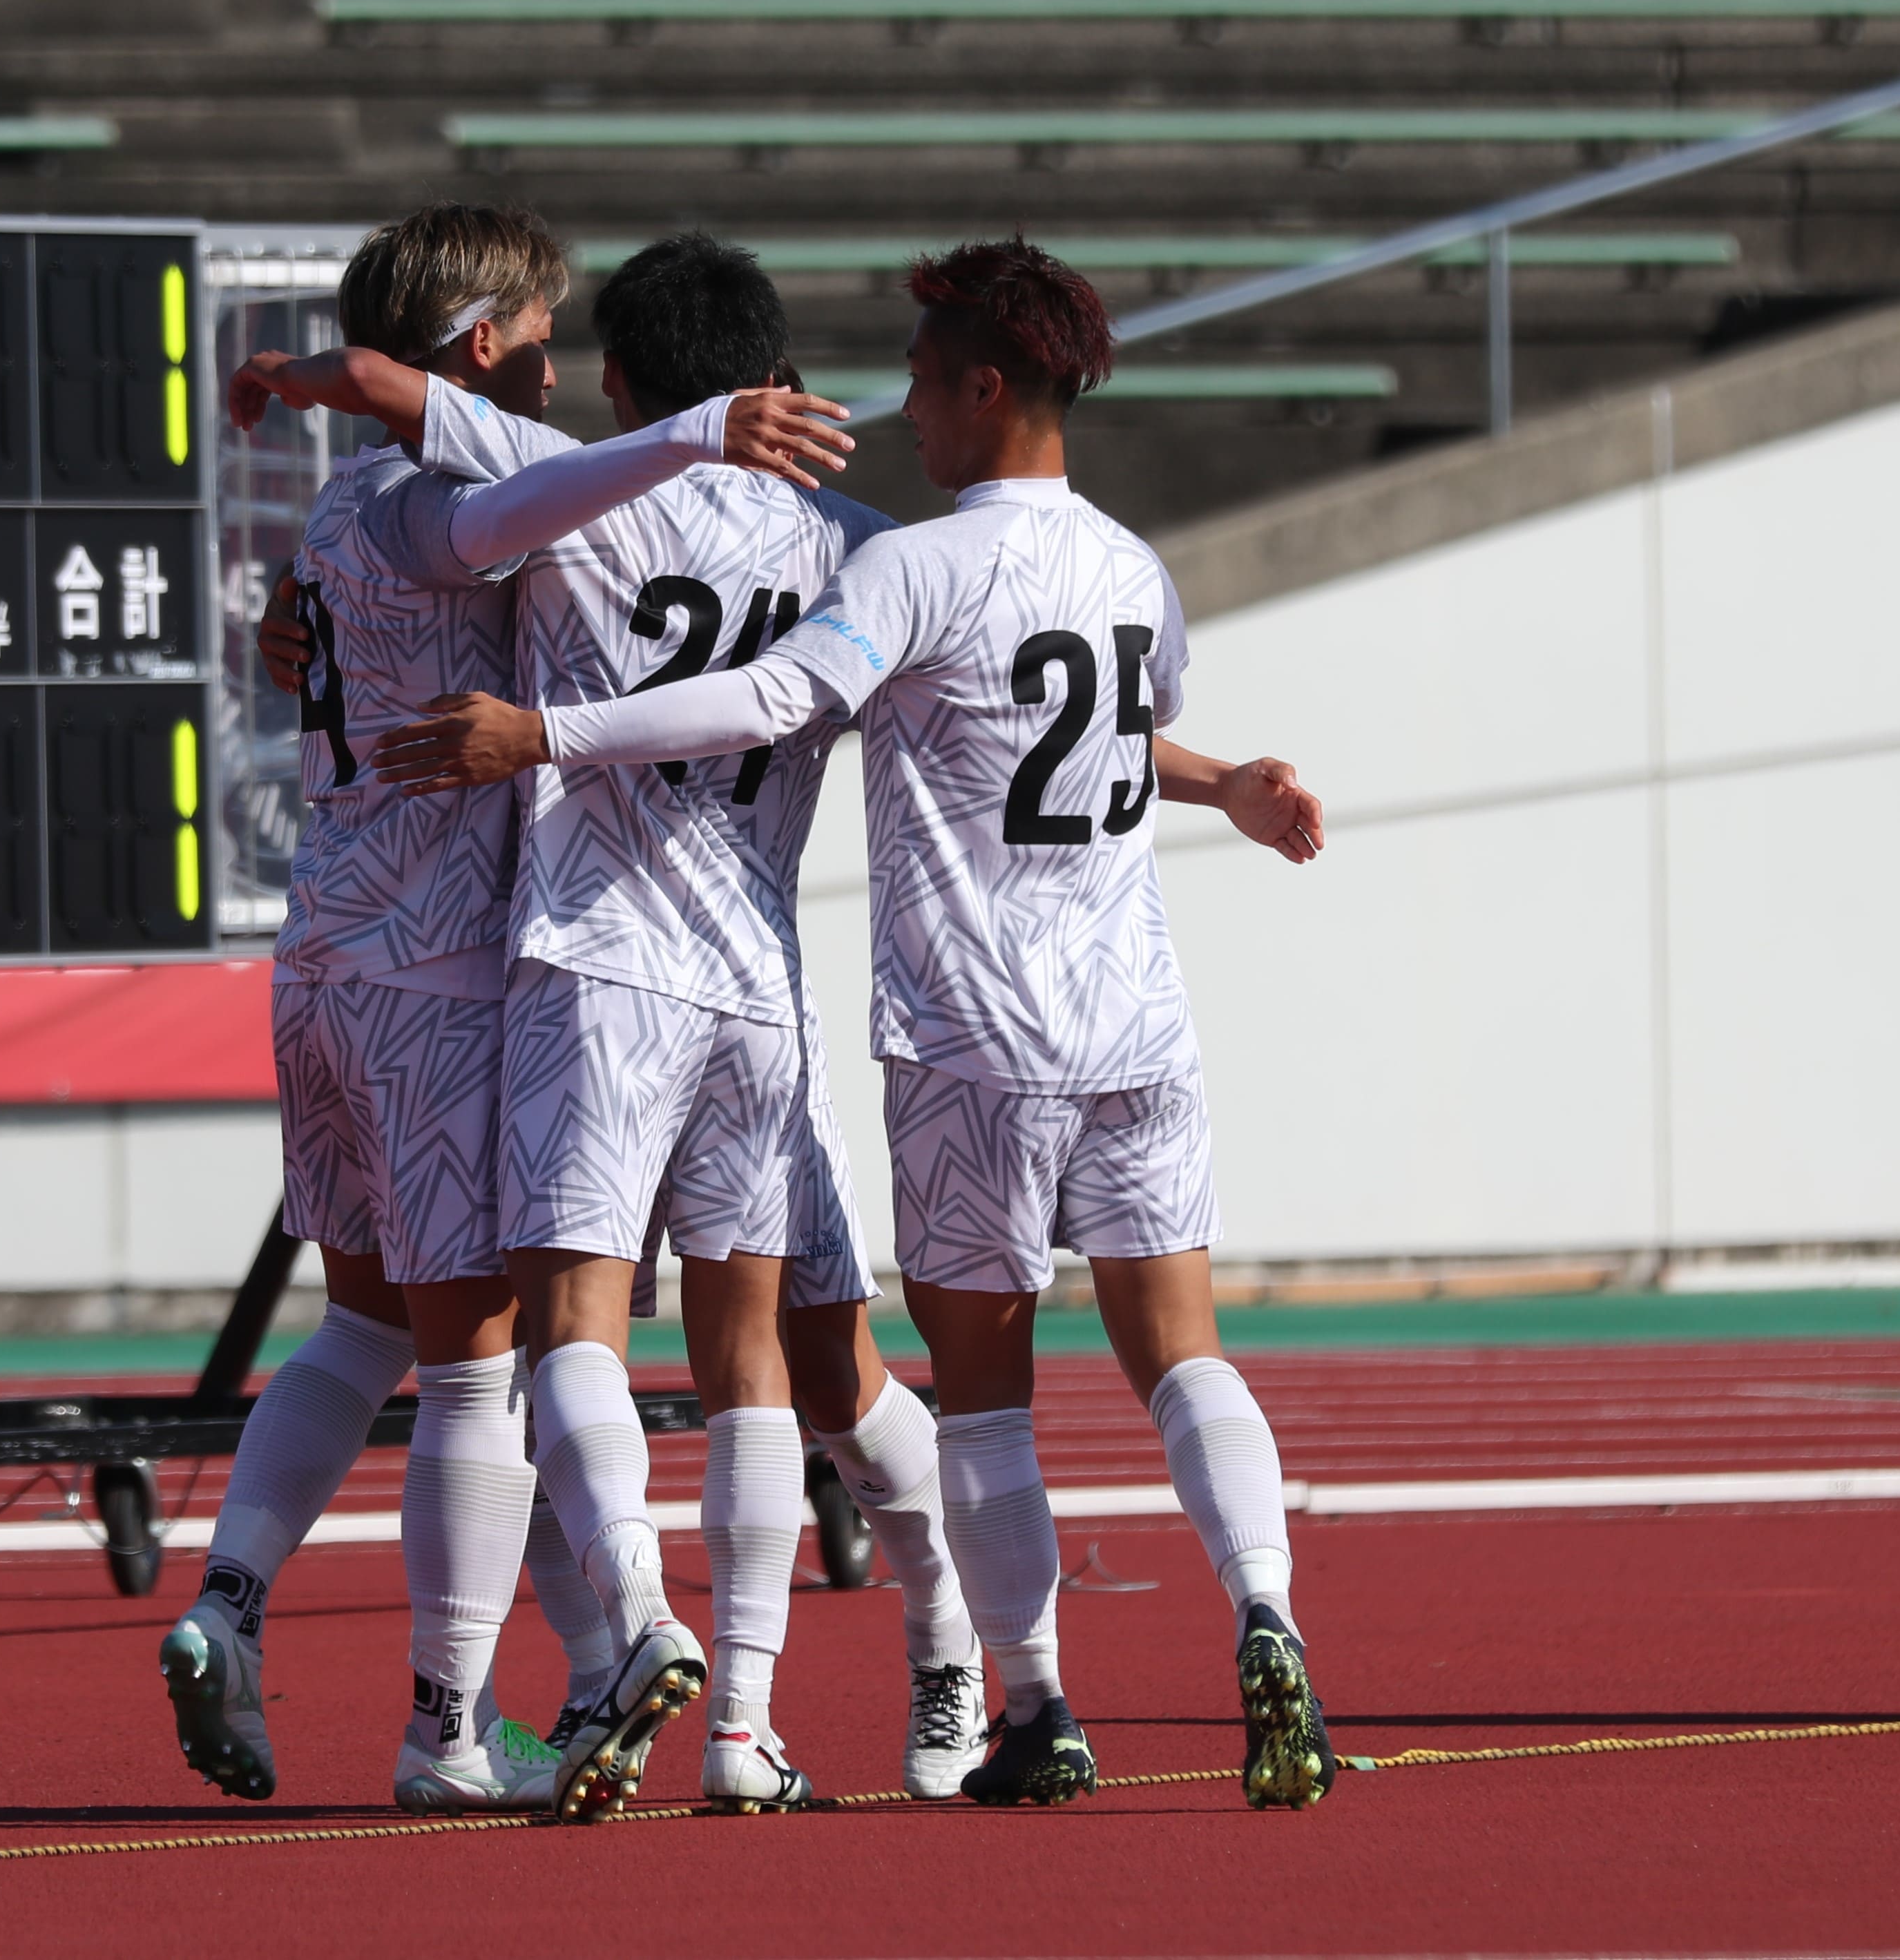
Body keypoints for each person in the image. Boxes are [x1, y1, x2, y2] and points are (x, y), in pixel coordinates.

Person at [368, 238, 1340, 1812]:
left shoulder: (832, 553)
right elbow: (1080, 718)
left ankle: (915, 1680)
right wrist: (1222, 777)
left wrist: (521, 722)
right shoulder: (1055, 562)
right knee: (893, 1359)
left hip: (825, 1007)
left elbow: (744, 680)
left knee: (611, 1349)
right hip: (1063, 1018)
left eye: (921, 382)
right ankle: (1231, 1619)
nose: (903, 409)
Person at [260, 234, 995, 1820]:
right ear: (776, 380)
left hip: (592, 972)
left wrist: (293, 404)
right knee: (782, 1365)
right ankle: (768, 1716)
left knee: (579, 1336)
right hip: (758, 988)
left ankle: (649, 1624)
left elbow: (398, 410)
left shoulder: (574, 491)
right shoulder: (856, 545)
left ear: (612, 381)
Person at [160, 204, 849, 1818]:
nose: (562, 364)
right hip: (441, 976)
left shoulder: (345, 502)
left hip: (323, 958)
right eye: (539, 335)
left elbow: (349, 610)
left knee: (361, 1328)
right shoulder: (447, 503)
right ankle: (447, 1728)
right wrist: (698, 432)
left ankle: (230, 1603)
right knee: (478, 1372)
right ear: (479, 346)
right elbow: (497, 508)